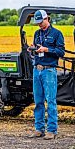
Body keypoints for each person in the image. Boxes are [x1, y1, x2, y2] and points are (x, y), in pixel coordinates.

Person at [28, 9, 65, 140]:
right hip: (37, 70)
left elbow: (61, 52)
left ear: (47, 19)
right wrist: (32, 48)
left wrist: (47, 49)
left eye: (41, 22)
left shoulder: (57, 34)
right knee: (38, 101)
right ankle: (39, 129)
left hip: (49, 70)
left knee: (50, 101)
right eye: (37, 22)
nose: (39, 24)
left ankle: (52, 130)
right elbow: (36, 50)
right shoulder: (37, 33)